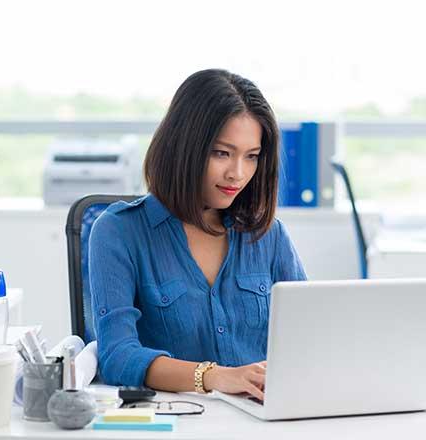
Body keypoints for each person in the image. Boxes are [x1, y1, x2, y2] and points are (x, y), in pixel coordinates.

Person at [89, 69, 306, 401]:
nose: (238, 173)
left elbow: (311, 335)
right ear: (184, 147)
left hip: (264, 418)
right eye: (222, 153)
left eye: (252, 157)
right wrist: (213, 377)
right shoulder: (119, 231)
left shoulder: (268, 235)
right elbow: (117, 356)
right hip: (179, 420)